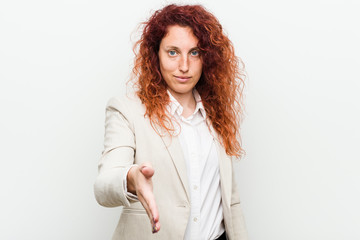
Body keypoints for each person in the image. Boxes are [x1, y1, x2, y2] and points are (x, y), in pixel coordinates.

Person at [94, 4, 248, 240]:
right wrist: (131, 178)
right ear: (155, 55)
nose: (184, 66)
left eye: (194, 52)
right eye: (173, 52)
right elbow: (104, 186)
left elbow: (230, 199)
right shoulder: (126, 109)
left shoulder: (215, 113)